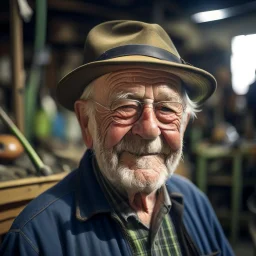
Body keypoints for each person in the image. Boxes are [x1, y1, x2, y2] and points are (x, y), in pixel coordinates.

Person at [0, 20, 234, 256]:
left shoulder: (196, 204)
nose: (150, 129)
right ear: (85, 122)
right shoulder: (36, 239)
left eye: (166, 109)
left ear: (183, 123)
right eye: (126, 106)